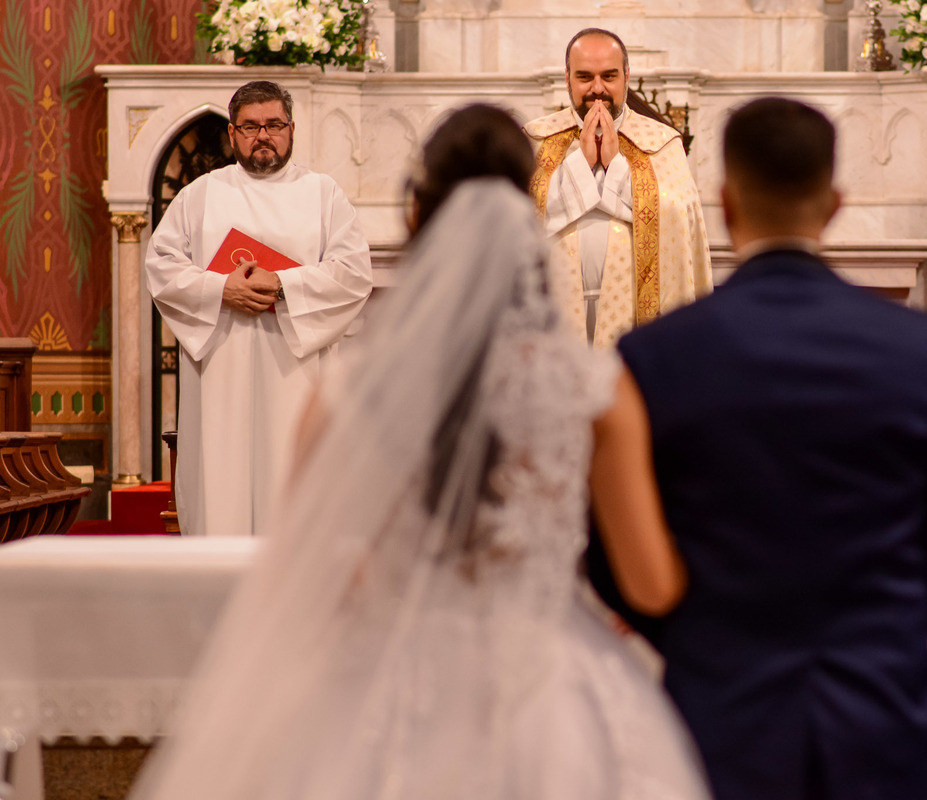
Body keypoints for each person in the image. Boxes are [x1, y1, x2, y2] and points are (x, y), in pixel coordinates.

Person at [129, 104, 710, 800]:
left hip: (391, 695)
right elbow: (650, 585)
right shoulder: (592, 390)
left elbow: (306, 576)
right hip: (548, 693)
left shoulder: (346, 394)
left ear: (418, 216)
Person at [587, 97, 927, 800]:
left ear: (727, 203)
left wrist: (701, 642)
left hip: (720, 718)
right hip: (883, 716)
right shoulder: (916, 347)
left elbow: (613, 559)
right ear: (832, 204)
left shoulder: (656, 355)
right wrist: (875, 636)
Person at [144, 80, 373, 537]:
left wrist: (284, 284)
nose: (262, 135)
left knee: (293, 486)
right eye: (250, 126)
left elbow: (353, 274)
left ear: (291, 129)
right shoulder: (200, 195)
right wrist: (220, 290)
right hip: (221, 370)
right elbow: (161, 268)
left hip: (297, 371)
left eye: (273, 124)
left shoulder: (323, 194)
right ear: (232, 134)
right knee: (220, 489)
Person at [524, 27, 712, 348]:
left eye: (609, 76)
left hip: (633, 312)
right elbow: (519, 220)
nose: (598, 89)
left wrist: (617, 166)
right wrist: (579, 165)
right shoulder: (537, 140)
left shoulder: (662, 142)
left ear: (627, 75)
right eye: (585, 76)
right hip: (555, 312)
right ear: (567, 78)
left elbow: (680, 221)